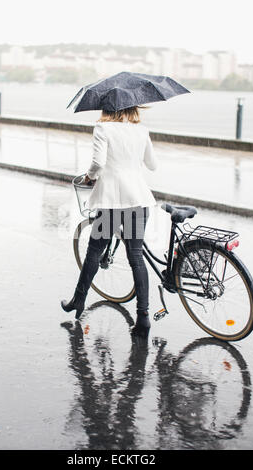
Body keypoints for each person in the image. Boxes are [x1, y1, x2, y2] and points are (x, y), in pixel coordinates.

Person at [61, 106, 158, 329]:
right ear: (133, 106)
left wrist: (89, 177)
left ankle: (78, 299)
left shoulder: (102, 128)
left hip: (112, 202)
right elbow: (153, 165)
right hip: (138, 200)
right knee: (136, 256)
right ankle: (143, 317)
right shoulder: (141, 130)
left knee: (95, 251)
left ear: (107, 107)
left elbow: (98, 163)